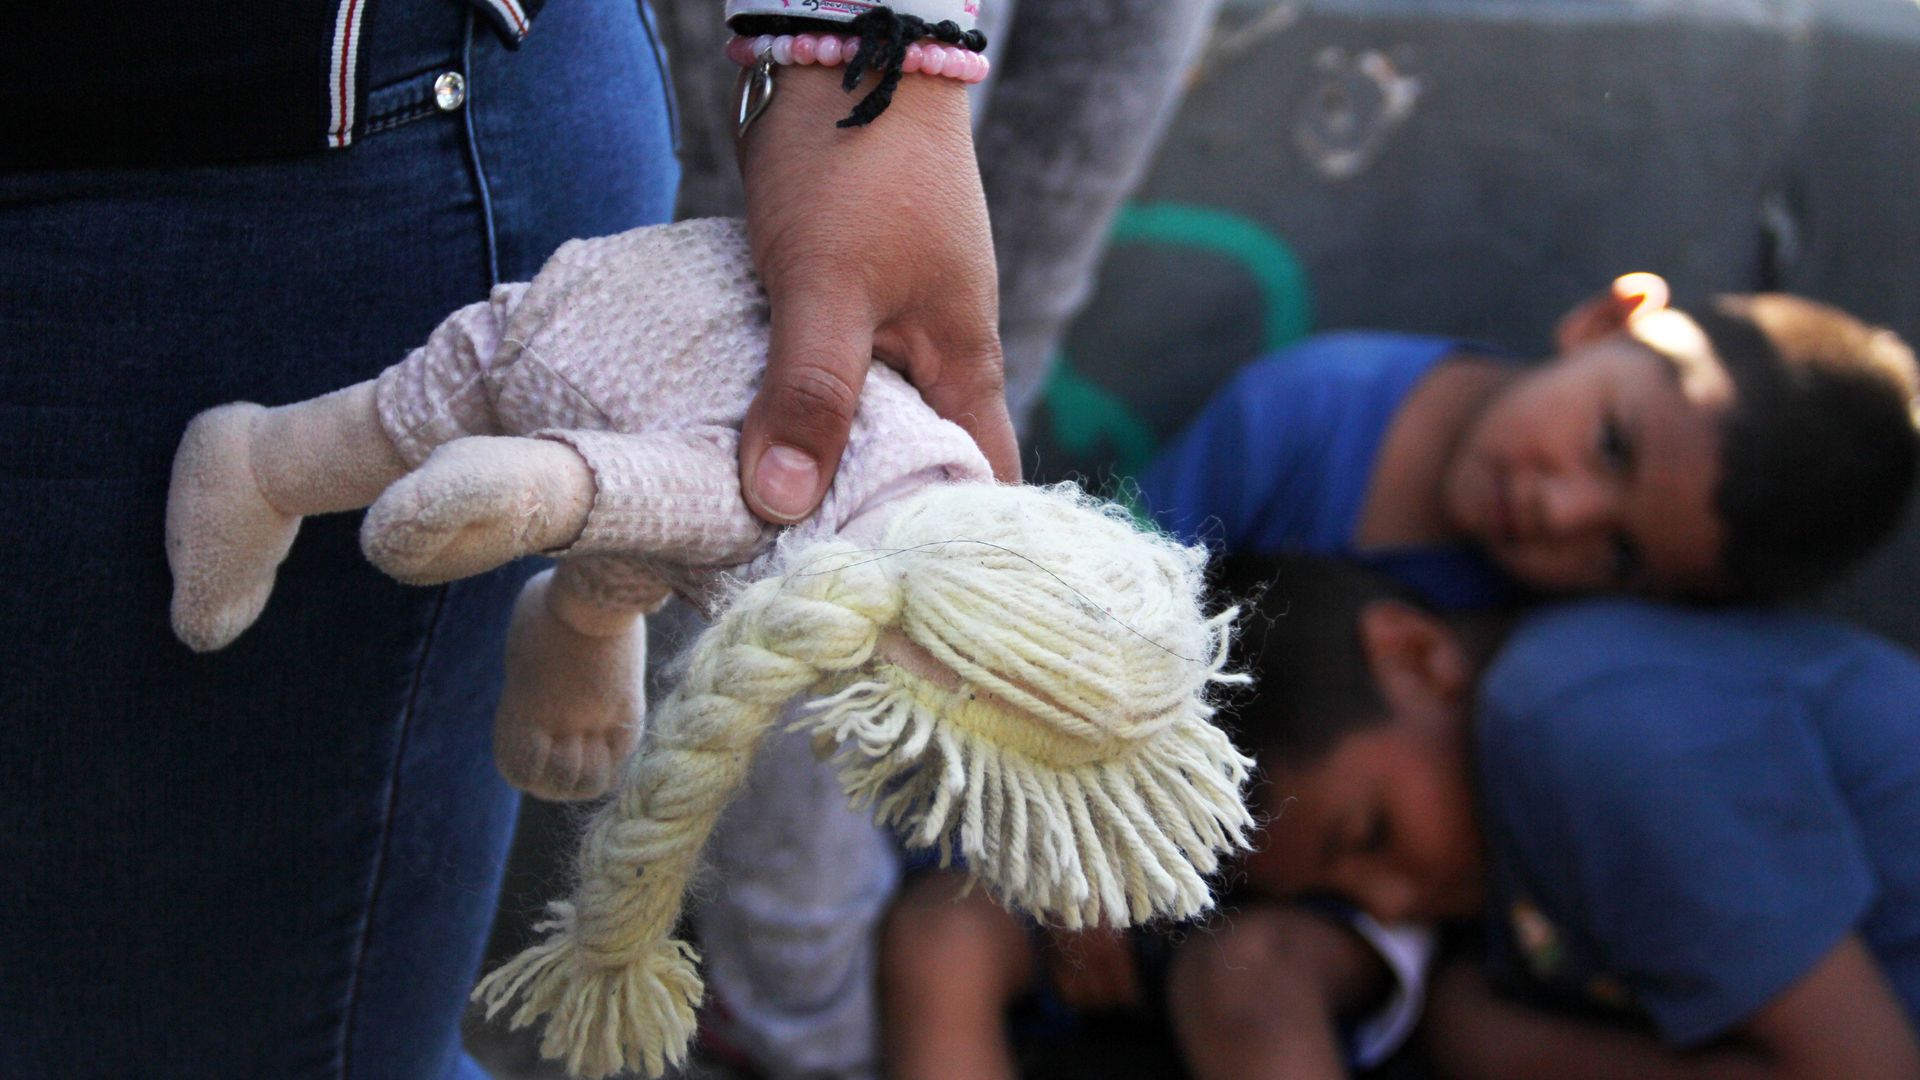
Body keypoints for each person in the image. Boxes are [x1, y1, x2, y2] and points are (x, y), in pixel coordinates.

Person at [0, 2, 1014, 1077]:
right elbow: (576, 488)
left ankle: (570, 614)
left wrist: (871, 53)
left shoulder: (813, 494)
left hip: (299, 134)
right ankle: (274, 473)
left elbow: (592, 498)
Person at [1239, 557, 1920, 1079]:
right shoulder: (1501, 906)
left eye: (1371, 836)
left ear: (1415, 658)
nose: (1386, 905)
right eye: (1334, 900)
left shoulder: (1582, 727)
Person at [1139, 273, 1920, 608]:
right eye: (1612, 445)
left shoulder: (1544, 642)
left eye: (1623, 556)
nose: (1565, 511)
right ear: (1604, 322)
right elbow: (1101, 606)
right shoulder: (1303, 413)